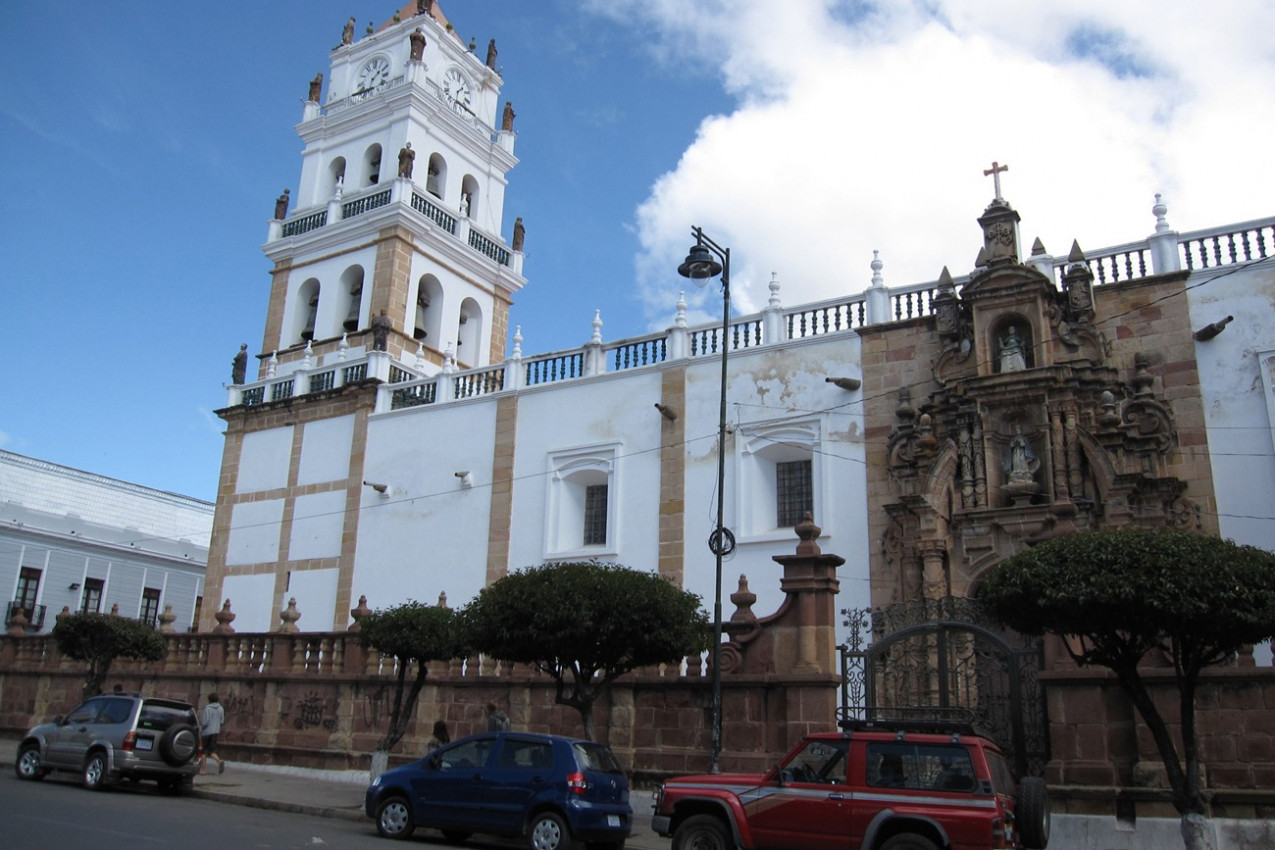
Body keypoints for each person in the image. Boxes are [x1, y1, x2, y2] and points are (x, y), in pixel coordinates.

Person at [200, 693, 226, 775]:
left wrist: (202, 728)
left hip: (207, 732)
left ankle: (203, 770)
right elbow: (222, 721)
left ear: (209, 700)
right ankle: (219, 761)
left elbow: (205, 721)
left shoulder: (207, 708)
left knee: (203, 751)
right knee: (211, 751)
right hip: (215, 731)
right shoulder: (221, 708)